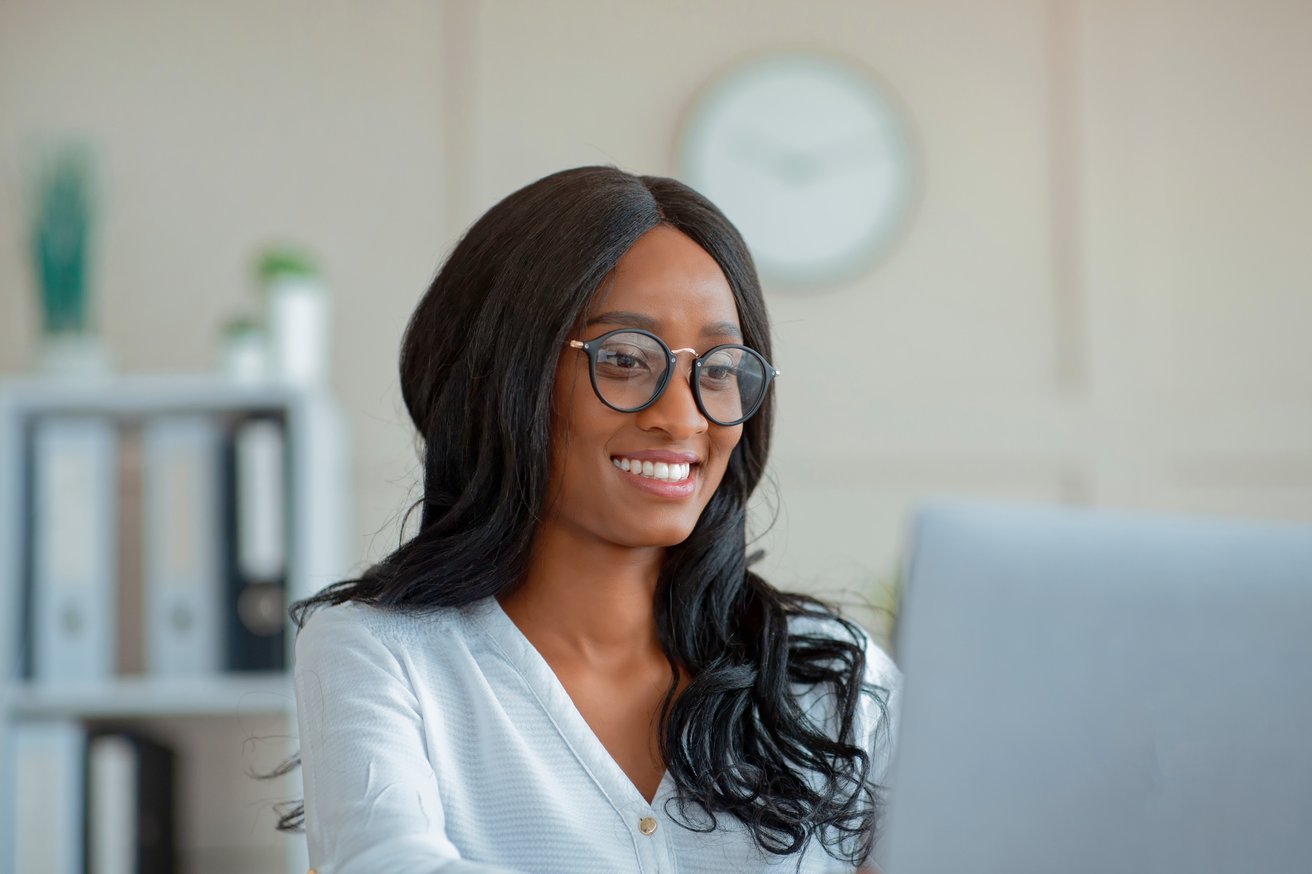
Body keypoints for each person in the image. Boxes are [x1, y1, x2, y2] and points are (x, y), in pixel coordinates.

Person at [289, 166, 900, 873]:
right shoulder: (384, 656)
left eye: (720, 368)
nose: (681, 415)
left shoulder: (835, 680)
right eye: (624, 359)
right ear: (504, 377)